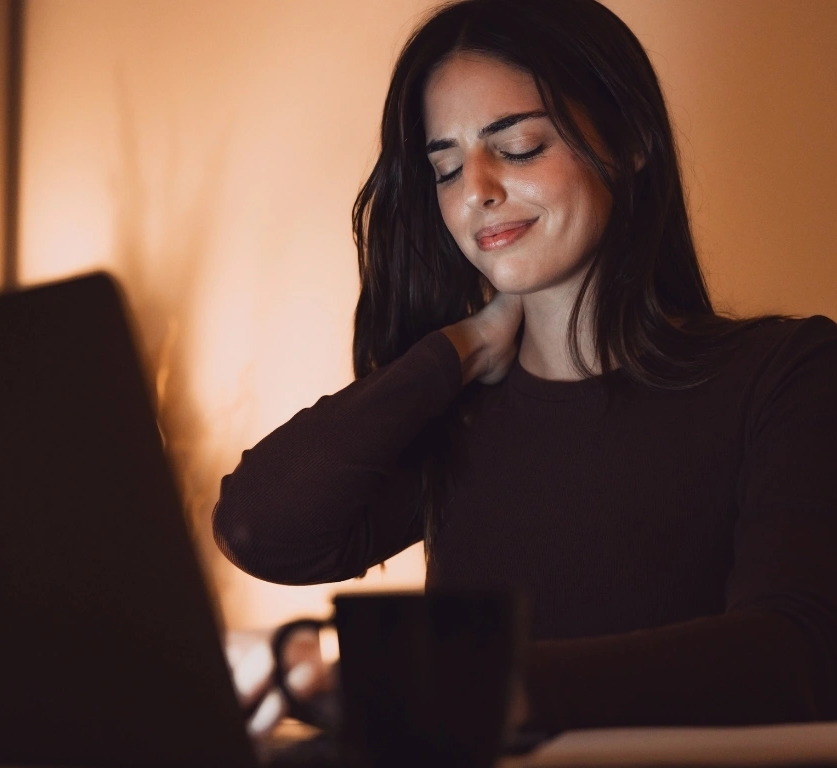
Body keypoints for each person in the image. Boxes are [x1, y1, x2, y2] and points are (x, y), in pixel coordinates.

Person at [213, 0, 837, 737]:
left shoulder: (786, 375)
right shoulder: (460, 414)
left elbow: (793, 657)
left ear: (631, 138)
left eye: (519, 148)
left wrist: (481, 688)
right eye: (445, 168)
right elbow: (262, 528)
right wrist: (455, 351)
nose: (476, 188)